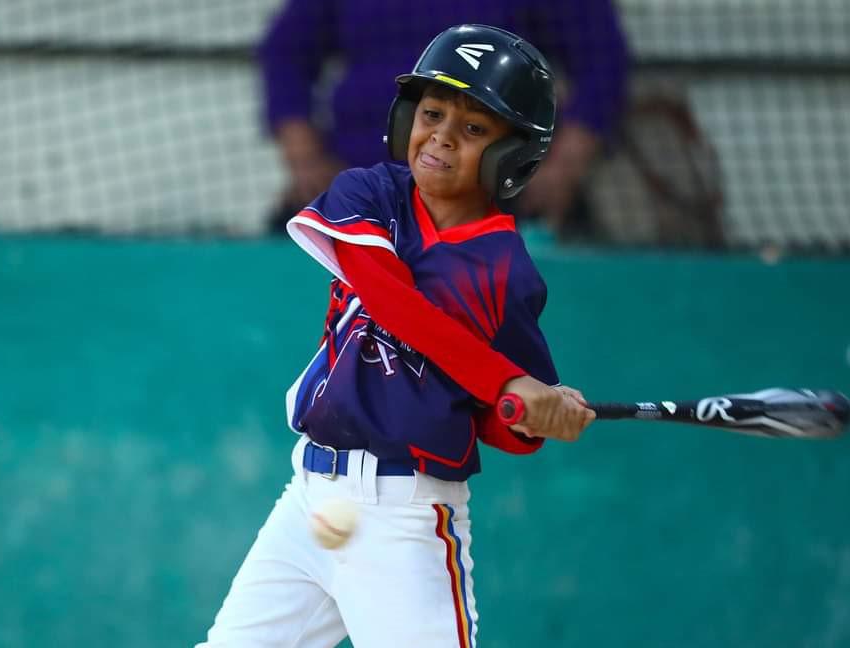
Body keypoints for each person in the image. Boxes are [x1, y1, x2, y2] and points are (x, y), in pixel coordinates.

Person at [199, 25, 595, 647]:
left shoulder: (505, 271)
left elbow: (497, 417)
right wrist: (506, 381)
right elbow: (391, 302)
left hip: (404, 517)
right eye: (431, 113)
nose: (439, 137)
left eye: (472, 129)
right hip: (311, 499)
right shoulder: (372, 193)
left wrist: (534, 416)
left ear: (511, 155)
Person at [258, 2, 629, 239]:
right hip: (366, 187)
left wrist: (562, 169)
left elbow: (603, 60)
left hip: (494, 195)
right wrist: (305, 156)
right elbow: (285, 52)